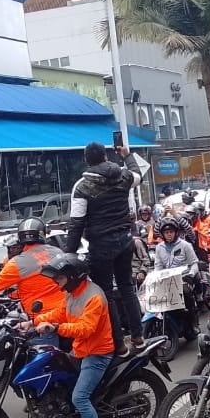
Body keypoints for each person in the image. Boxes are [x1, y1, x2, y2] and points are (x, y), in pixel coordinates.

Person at [31, 255, 116, 418]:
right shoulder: (72, 294)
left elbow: (86, 328)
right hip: (80, 351)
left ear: (71, 277)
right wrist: (32, 322)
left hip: (97, 354)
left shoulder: (94, 297)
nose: (56, 282)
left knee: (79, 397)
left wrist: (55, 328)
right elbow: (59, 313)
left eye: (59, 278)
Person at [64, 142, 145, 355]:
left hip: (101, 247)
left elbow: (76, 223)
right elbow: (139, 174)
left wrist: (68, 255)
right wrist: (127, 156)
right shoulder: (123, 176)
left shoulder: (82, 187)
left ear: (86, 160)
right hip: (125, 241)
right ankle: (138, 336)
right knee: (127, 287)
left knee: (106, 294)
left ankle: (119, 345)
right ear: (106, 156)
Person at [0, 217, 63, 316]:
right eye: (10, 249)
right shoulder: (57, 252)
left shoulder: (18, 263)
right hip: (65, 311)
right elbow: (35, 287)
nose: (12, 251)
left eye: (15, 248)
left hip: (42, 316)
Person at [152, 216, 201, 338]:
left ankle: (192, 323)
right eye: (166, 232)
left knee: (186, 293)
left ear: (176, 232)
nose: (169, 235)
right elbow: (158, 266)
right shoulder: (159, 248)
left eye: (171, 232)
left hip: (184, 279)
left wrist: (190, 274)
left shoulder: (185, 245)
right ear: (162, 234)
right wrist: (155, 277)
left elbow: (194, 263)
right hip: (167, 280)